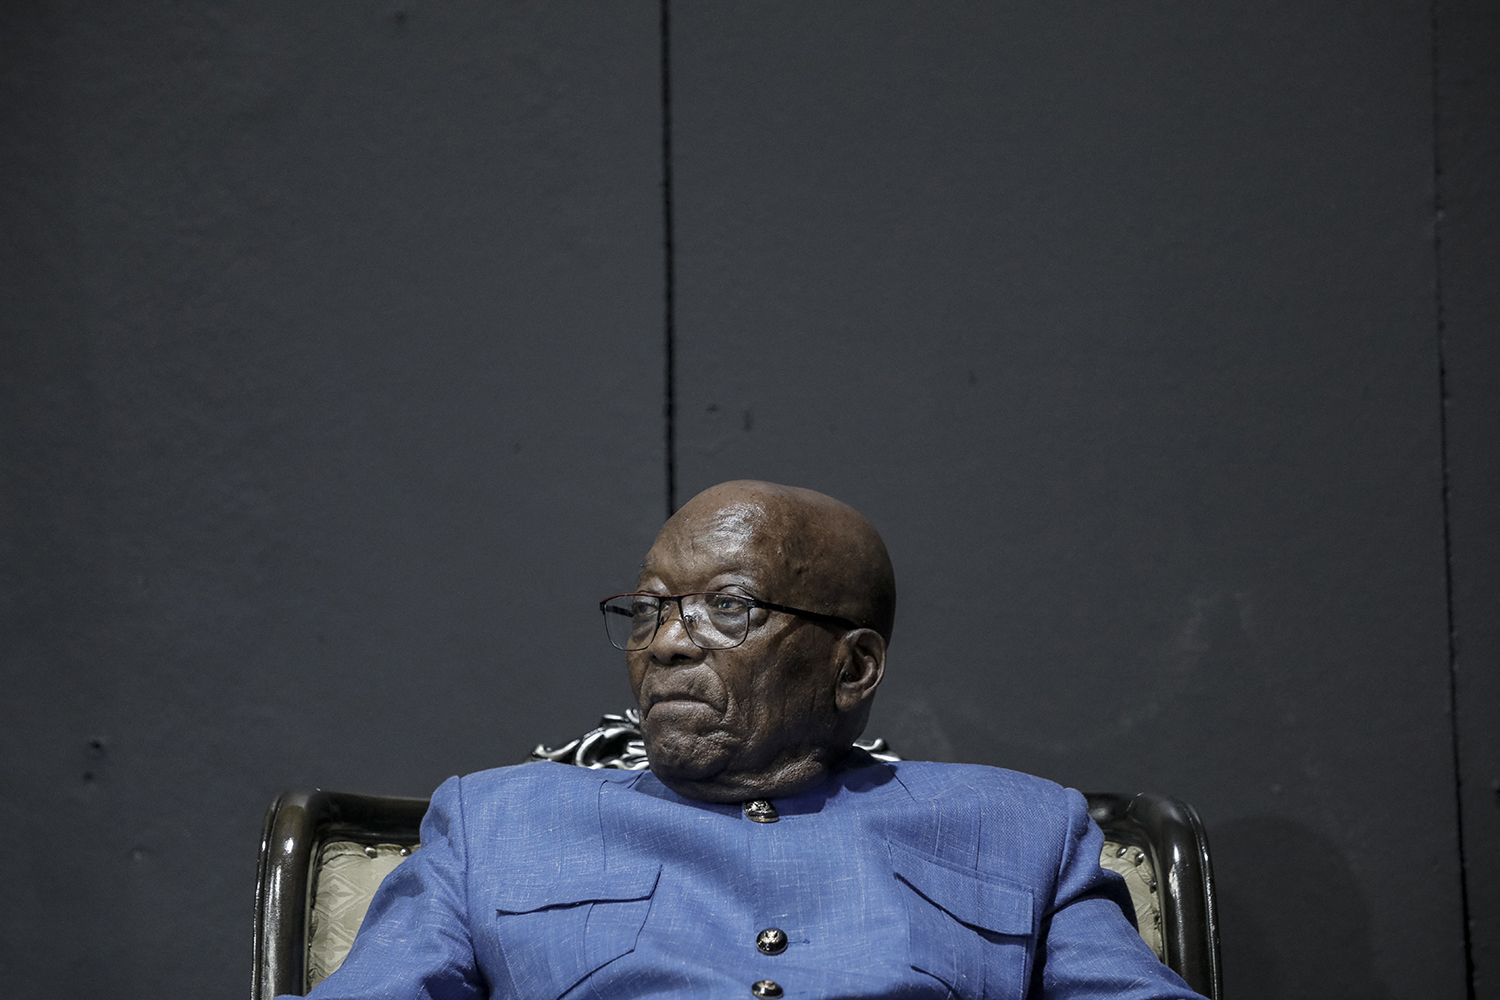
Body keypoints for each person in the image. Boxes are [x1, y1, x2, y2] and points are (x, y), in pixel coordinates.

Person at [294, 480, 1206, 1000]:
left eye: (728, 607)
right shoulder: (493, 826)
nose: (670, 639)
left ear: (852, 668)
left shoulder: (1021, 830)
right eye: (650, 609)